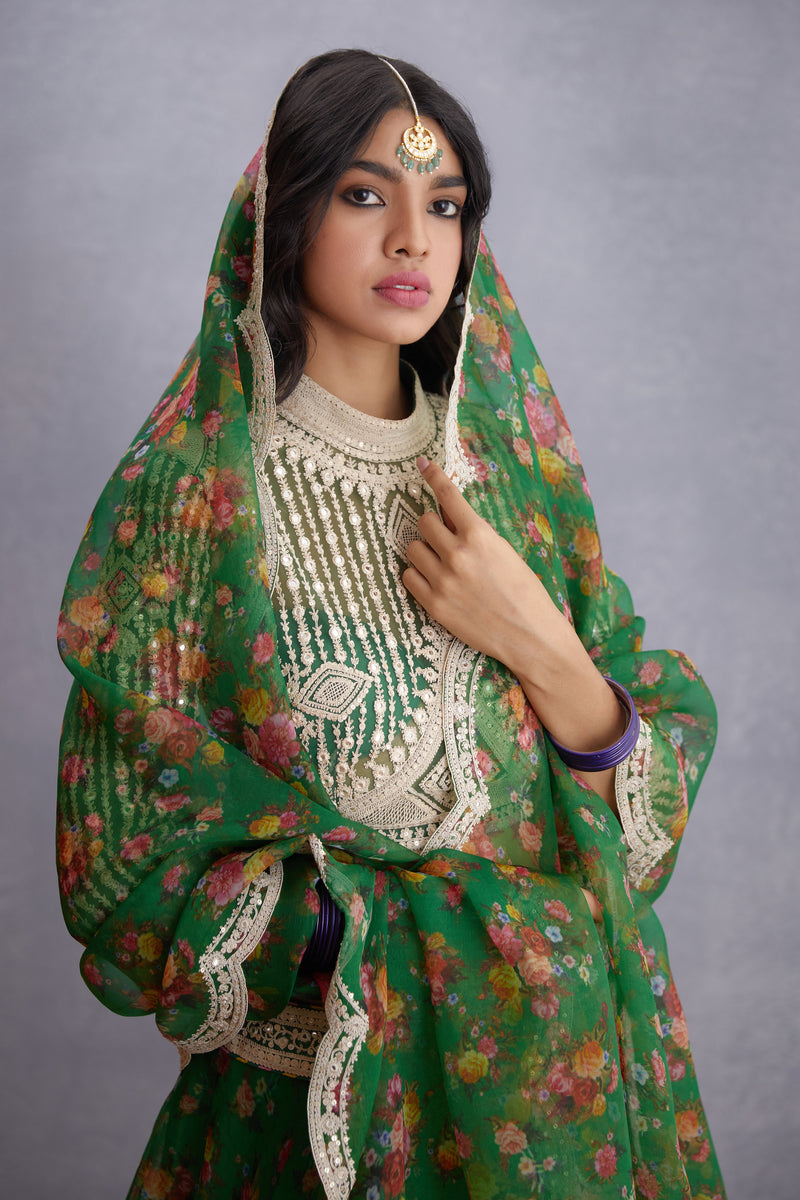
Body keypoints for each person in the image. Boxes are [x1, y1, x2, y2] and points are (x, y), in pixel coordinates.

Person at [57, 49, 726, 1200]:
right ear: (284, 212)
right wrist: (389, 940)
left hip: (554, 1113)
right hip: (307, 1124)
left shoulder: (515, 487)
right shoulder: (195, 503)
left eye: (445, 205)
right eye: (366, 195)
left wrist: (535, 639)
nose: (414, 238)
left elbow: (637, 845)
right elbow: (122, 858)